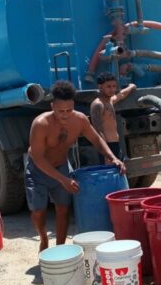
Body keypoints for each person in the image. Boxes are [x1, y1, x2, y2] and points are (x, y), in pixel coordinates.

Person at [27, 80, 125, 251]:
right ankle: (43, 238)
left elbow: (96, 139)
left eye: (69, 110)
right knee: (38, 211)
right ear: (52, 106)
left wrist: (112, 157)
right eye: (60, 111)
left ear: (73, 106)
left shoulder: (79, 120)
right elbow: (38, 157)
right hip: (38, 169)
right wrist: (63, 180)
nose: (65, 115)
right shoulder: (41, 124)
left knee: (63, 208)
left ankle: (60, 248)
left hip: (61, 166)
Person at [90, 72, 136, 163]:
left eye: (114, 86)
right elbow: (98, 132)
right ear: (100, 87)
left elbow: (121, 95)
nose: (112, 89)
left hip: (115, 145)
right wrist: (107, 154)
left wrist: (131, 87)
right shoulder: (98, 105)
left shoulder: (109, 101)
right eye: (108, 86)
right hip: (107, 147)